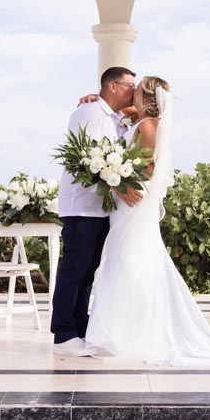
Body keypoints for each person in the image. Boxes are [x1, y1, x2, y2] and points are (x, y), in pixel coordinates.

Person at [83, 76, 210, 367]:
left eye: (137, 90)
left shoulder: (146, 126)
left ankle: (128, 333)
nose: (132, 94)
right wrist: (95, 99)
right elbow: (129, 118)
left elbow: (150, 167)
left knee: (129, 261)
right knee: (128, 259)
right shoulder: (143, 120)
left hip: (132, 201)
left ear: (146, 99)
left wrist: (118, 181)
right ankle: (124, 330)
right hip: (127, 203)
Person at [50, 66, 143, 356]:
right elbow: (92, 158)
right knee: (75, 267)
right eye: (130, 85)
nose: (134, 91)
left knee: (89, 270)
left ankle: (79, 327)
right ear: (112, 86)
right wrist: (120, 188)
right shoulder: (89, 114)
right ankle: (63, 333)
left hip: (101, 208)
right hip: (82, 205)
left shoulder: (117, 119)